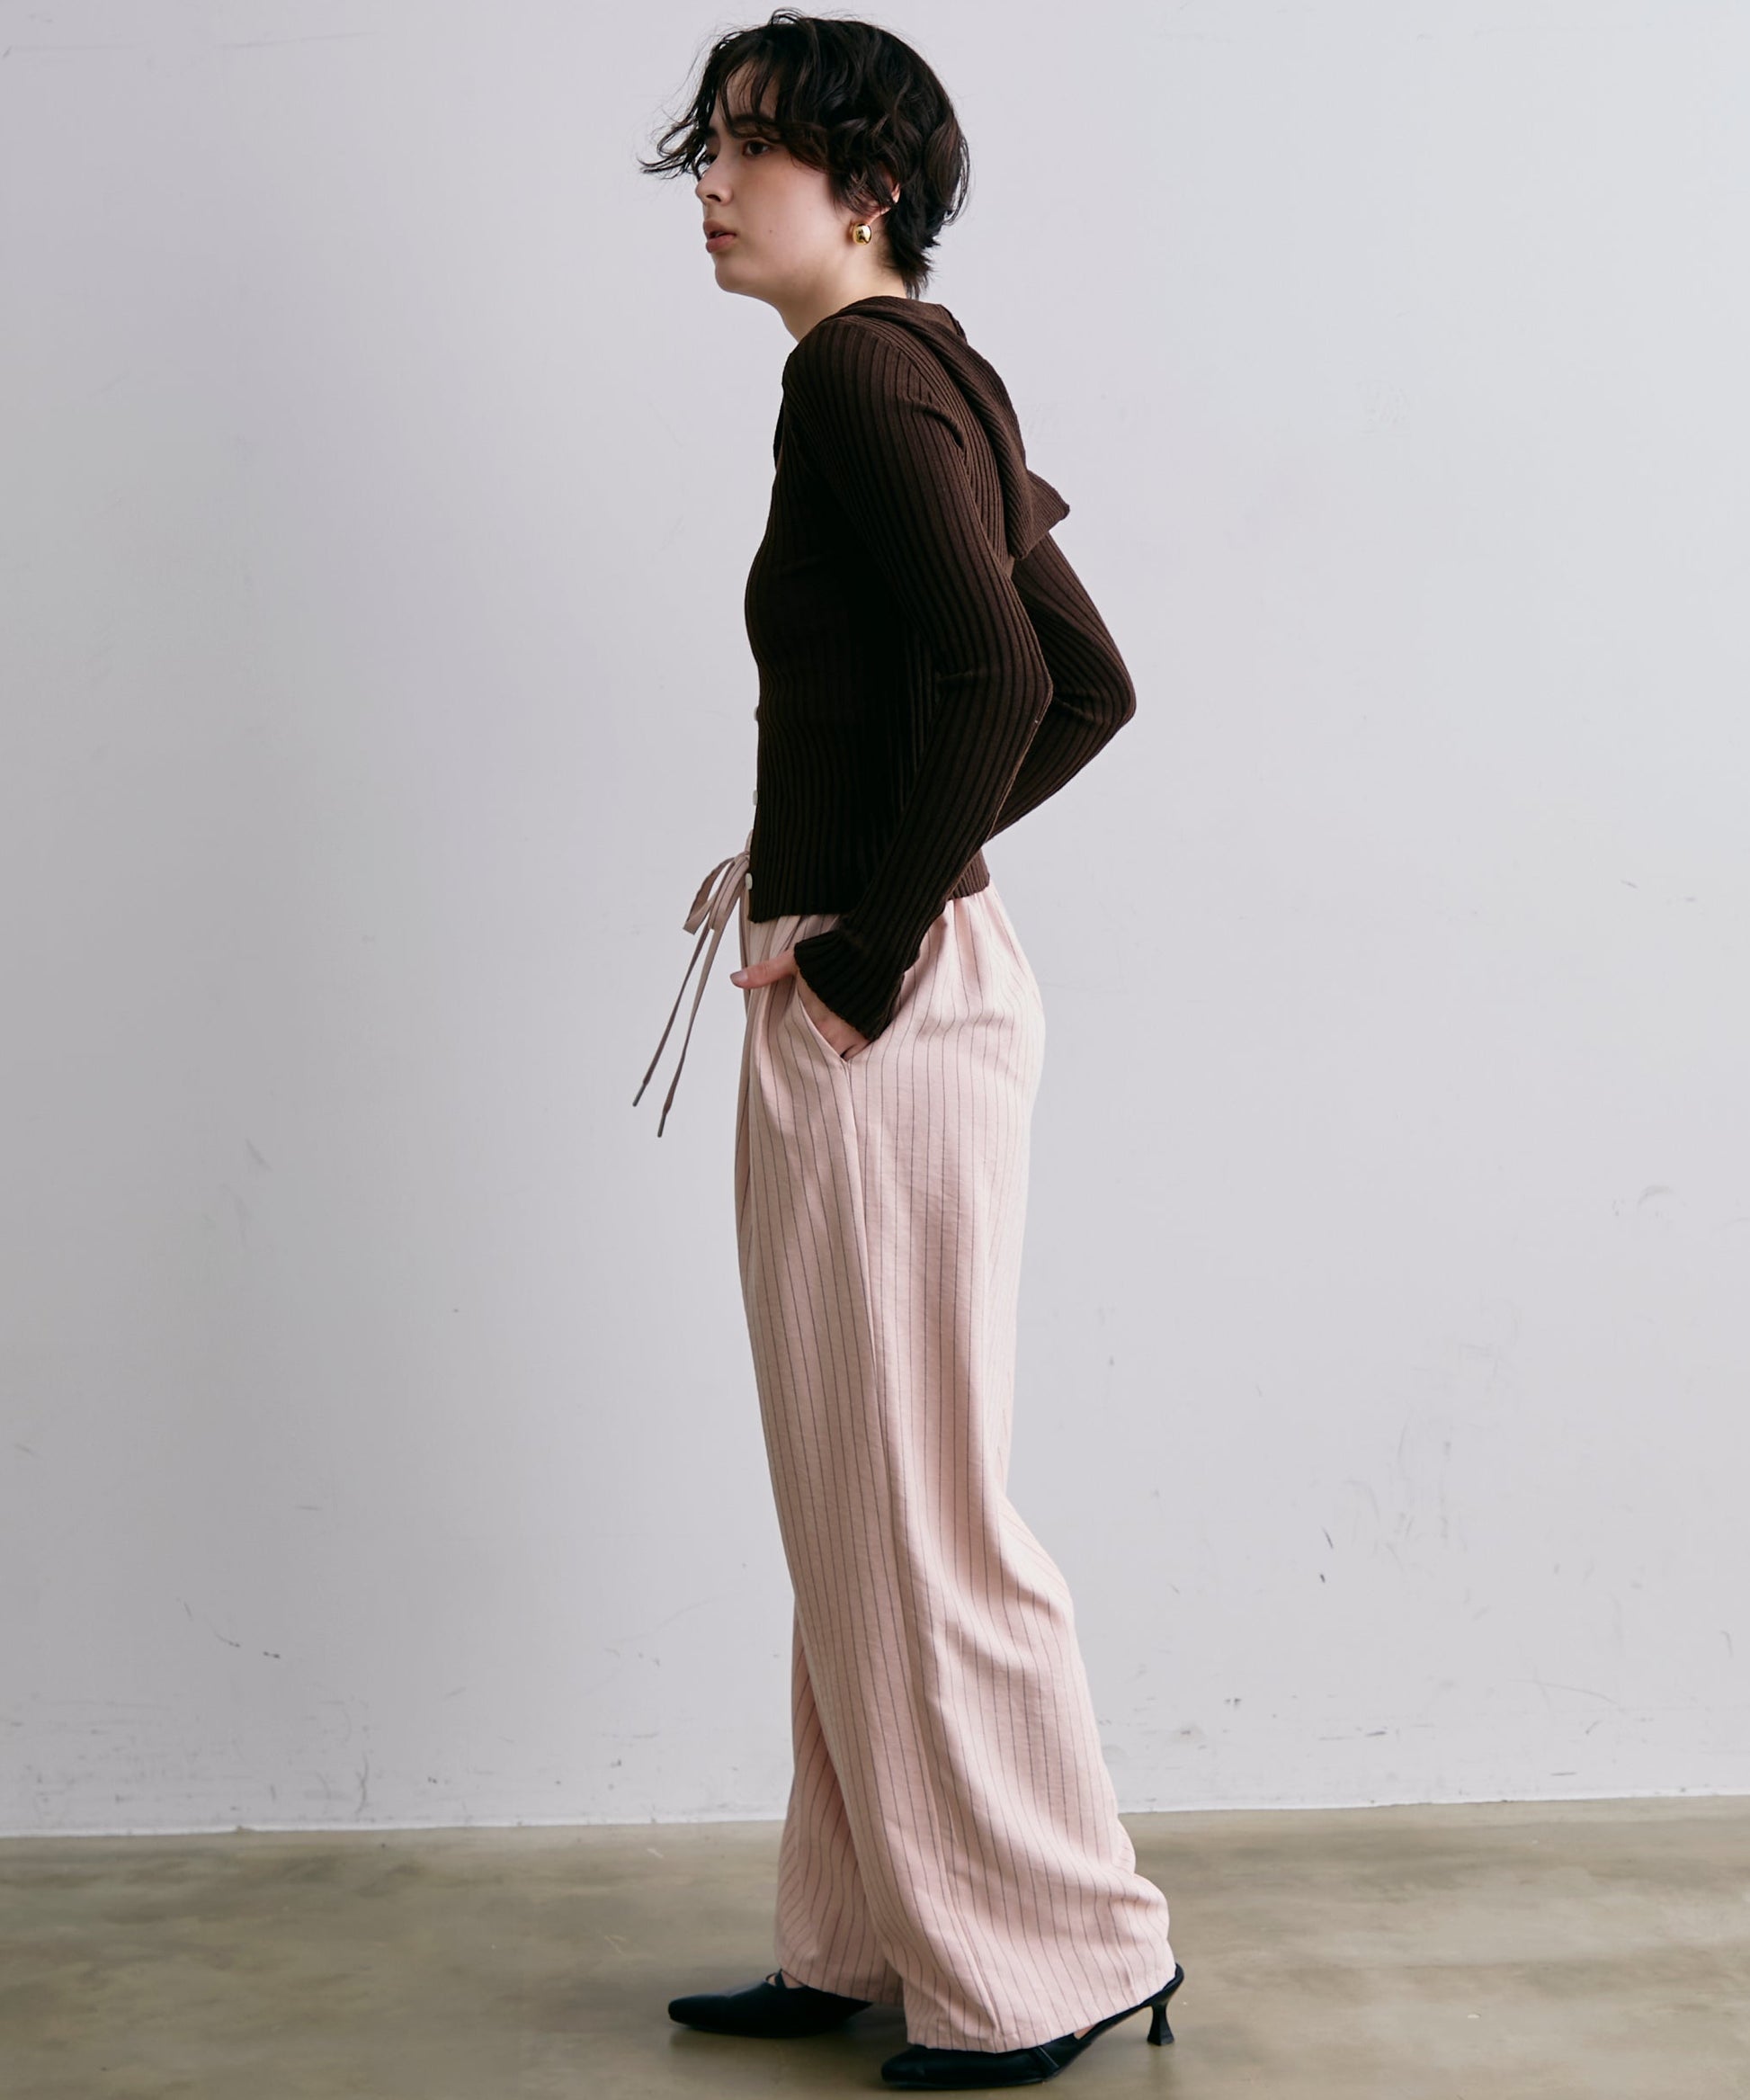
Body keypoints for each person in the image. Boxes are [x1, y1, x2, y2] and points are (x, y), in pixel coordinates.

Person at [635, 13, 1185, 2088]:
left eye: (749, 150)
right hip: (900, 983)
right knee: (855, 1493)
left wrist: (865, 936)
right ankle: (865, 1929)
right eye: (707, 148)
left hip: (882, 1008)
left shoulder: (859, 380)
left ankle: (1061, 1950)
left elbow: (1007, 675)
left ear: (863, 190)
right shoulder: (930, 366)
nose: (710, 186)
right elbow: (1086, 678)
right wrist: (841, 863)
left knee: (916, 1506)